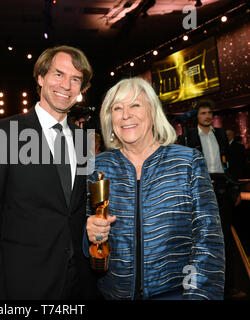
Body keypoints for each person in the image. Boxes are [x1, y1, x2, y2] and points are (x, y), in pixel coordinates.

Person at [0, 45, 98, 300]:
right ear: (40, 78)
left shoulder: (84, 141)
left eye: (76, 79)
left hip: (78, 284)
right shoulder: (4, 134)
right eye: (59, 74)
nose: (67, 85)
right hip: (24, 285)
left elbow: (78, 213)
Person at [85, 78, 225, 300]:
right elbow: (84, 235)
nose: (125, 115)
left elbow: (208, 242)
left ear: (153, 111)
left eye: (135, 105)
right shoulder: (99, 167)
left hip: (175, 295)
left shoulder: (187, 163)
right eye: (117, 108)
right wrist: (90, 235)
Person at [185, 100, 240, 298]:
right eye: (203, 113)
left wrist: (233, 187)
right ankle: (200, 286)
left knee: (225, 238)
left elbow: (229, 165)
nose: (207, 116)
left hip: (222, 189)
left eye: (209, 113)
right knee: (201, 239)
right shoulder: (189, 137)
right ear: (197, 117)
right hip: (201, 189)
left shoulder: (221, 135)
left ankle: (228, 286)